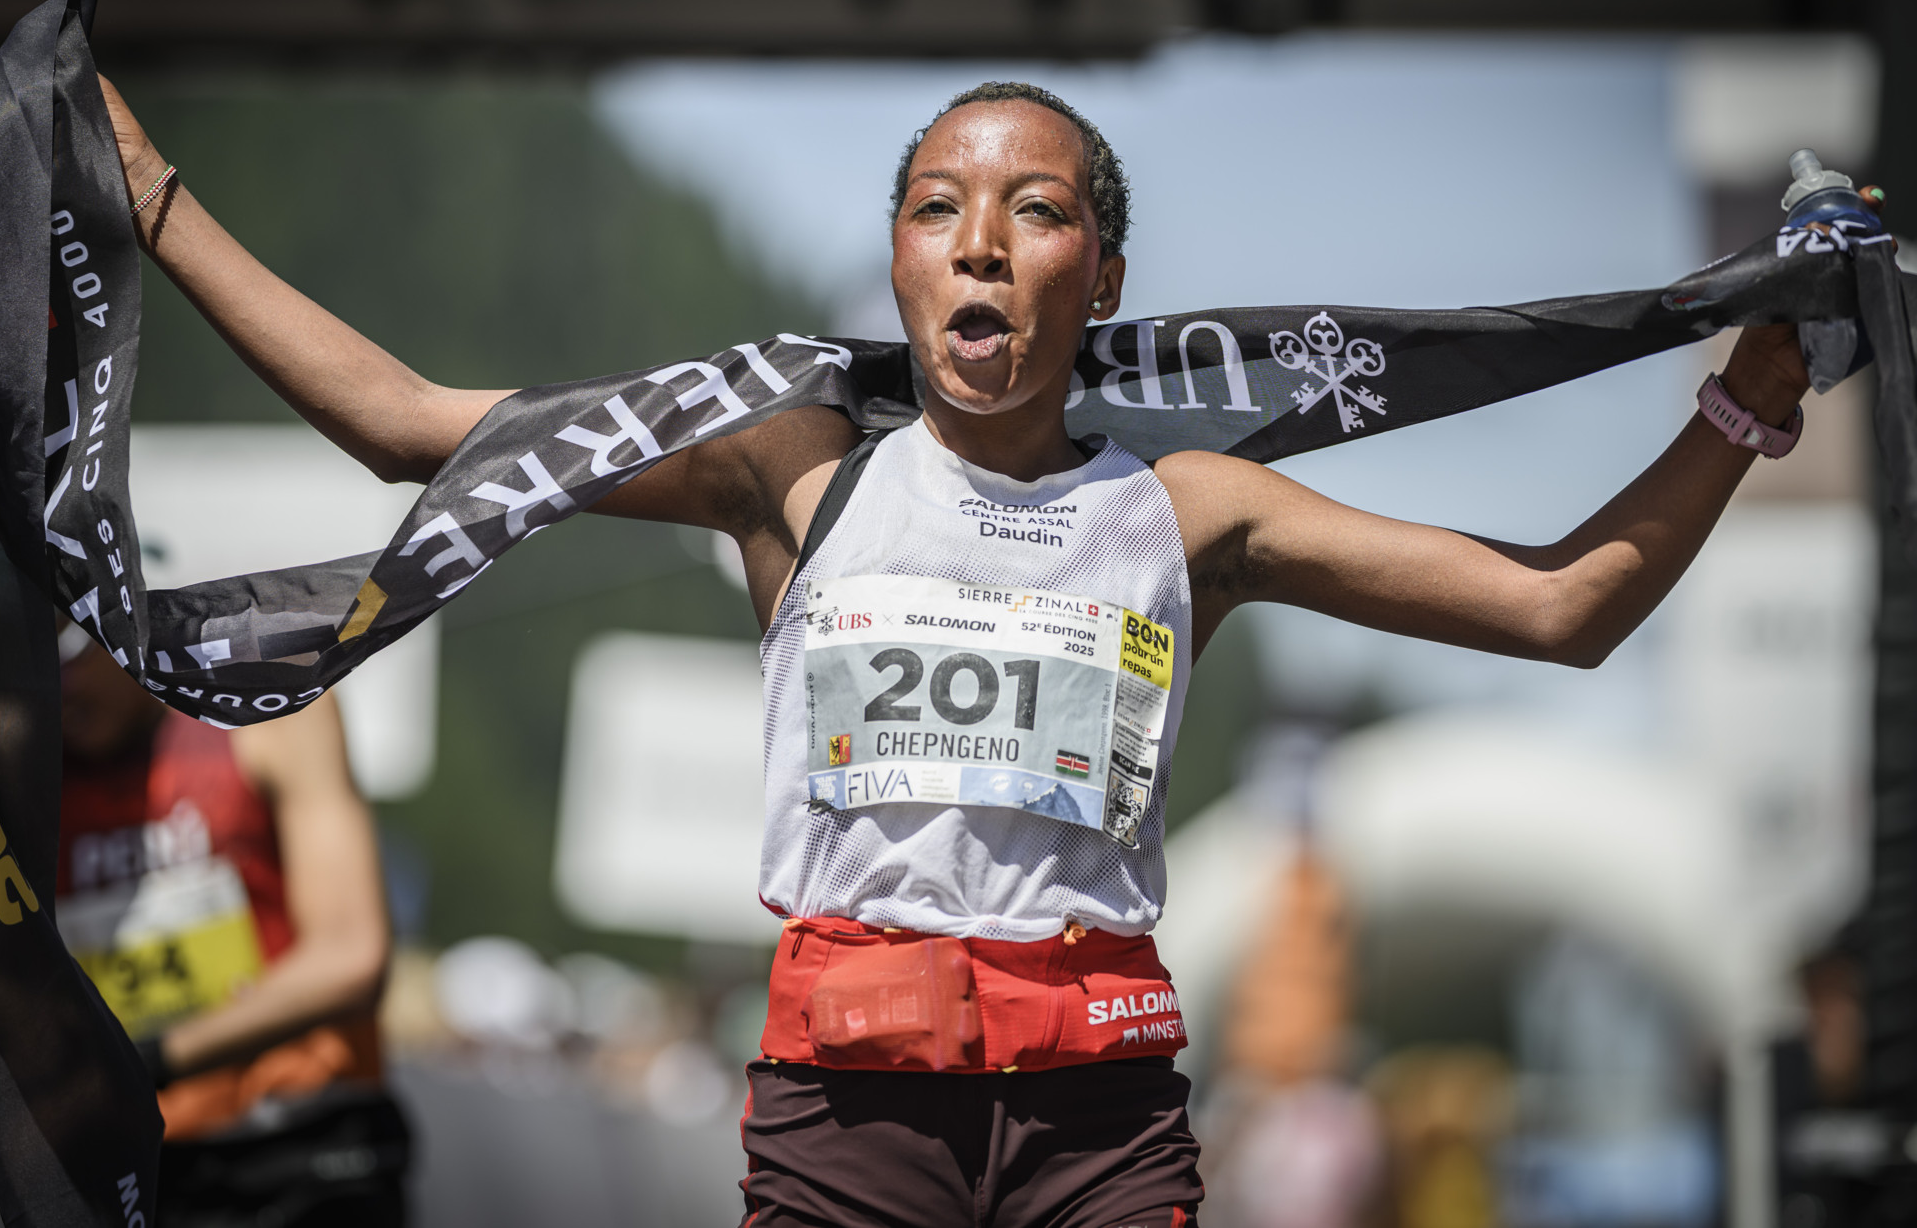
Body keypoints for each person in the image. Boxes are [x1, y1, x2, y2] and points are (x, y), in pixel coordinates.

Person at [97, 75, 1813, 1227]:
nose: (981, 236)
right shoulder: (791, 471)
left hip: (1101, 1130)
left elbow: (1560, 608)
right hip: (846, 1123)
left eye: (1033, 208)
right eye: (938, 206)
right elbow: (401, 424)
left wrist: (1746, 401)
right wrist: (149, 193)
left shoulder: (1188, 510)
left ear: (1103, 272)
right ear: (904, 264)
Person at [55, 621, 408, 1226]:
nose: (62, 682)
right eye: (28, 652)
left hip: (302, 1144)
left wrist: (154, 1057)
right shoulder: (21, 764)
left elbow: (353, 956)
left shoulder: (267, 710)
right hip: (146, 1161)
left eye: (72, 648)